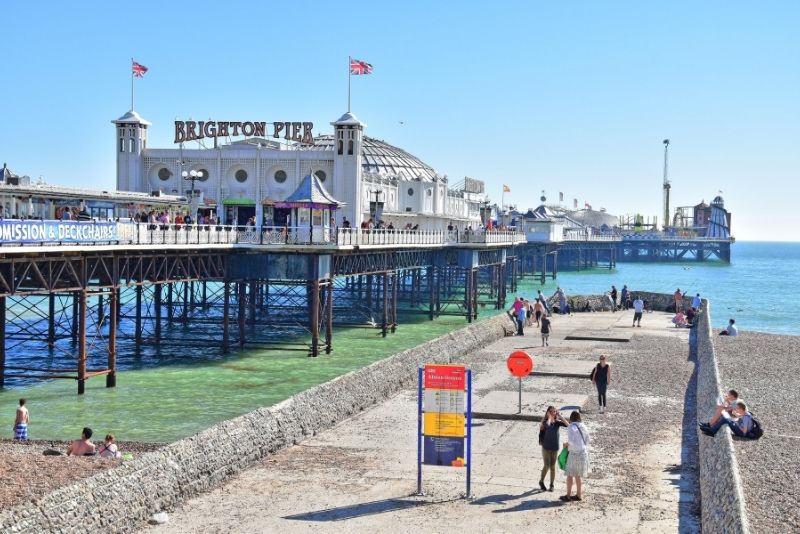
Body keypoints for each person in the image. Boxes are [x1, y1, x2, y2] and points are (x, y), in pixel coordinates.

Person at [560, 411, 590, 502]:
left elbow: (571, 442)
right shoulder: (583, 426)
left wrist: (565, 444)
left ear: (571, 418)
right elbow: (588, 439)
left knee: (569, 475)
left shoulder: (571, 427)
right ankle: (579, 495)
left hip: (574, 454)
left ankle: (568, 495)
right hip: (583, 454)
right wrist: (561, 417)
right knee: (578, 475)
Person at [539, 406, 568, 492]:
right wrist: (550, 418)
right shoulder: (544, 422)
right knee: (546, 465)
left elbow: (567, 425)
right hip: (546, 448)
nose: (553, 413)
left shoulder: (557, 423)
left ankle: (551, 485)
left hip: (555, 448)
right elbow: (548, 426)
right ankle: (541, 481)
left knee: (552, 467)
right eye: (551, 411)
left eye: (554, 412)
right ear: (548, 413)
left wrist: (560, 416)